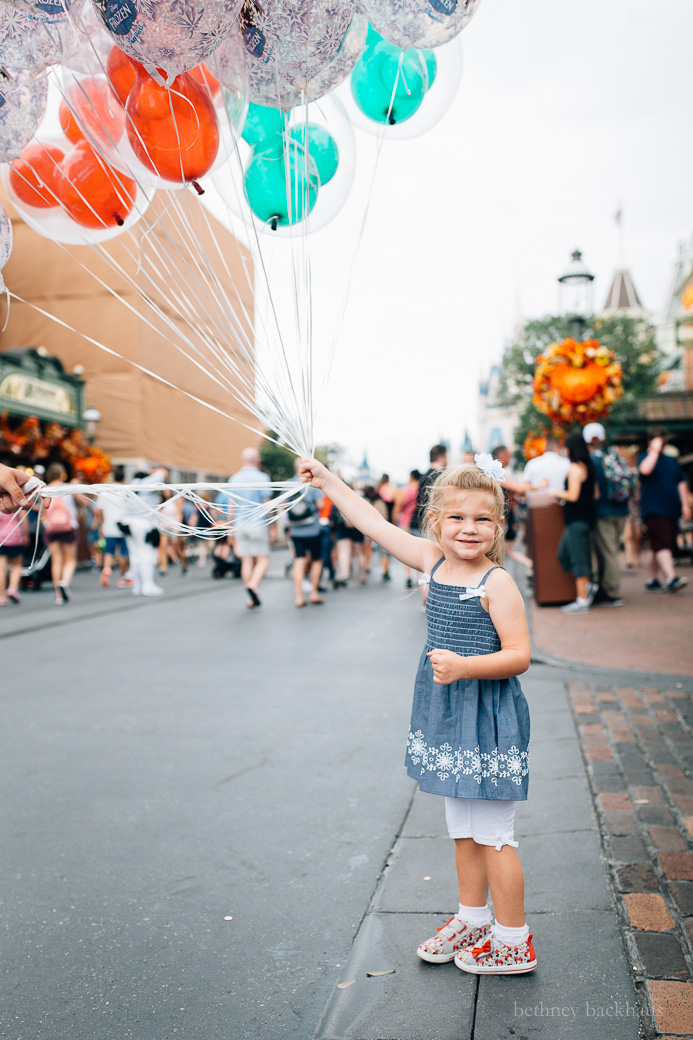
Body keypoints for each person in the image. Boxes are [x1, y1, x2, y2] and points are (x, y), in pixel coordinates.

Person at [298, 454, 536, 975]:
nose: (468, 529)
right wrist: (329, 479)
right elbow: (372, 522)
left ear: (498, 526)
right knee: (462, 828)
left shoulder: (496, 583)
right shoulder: (432, 561)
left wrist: (466, 665)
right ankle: (473, 919)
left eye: (482, 519)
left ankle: (514, 938)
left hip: (488, 718)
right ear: (436, 522)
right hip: (449, 715)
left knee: (495, 833)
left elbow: (520, 654)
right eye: (456, 518)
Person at [546, 433, 597, 614]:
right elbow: (594, 494)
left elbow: (573, 495)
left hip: (577, 520)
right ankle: (588, 587)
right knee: (564, 554)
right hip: (581, 518)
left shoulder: (575, 468)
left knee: (577, 559)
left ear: (570, 448)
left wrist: (556, 492)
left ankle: (582, 600)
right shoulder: (587, 466)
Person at [217, 447, 272, 608]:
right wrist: (271, 526)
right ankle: (253, 585)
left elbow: (231, 507)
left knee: (246, 560)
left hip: (240, 524)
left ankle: (249, 596)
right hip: (258, 524)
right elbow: (267, 505)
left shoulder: (234, 479)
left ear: (242, 461)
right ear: (257, 461)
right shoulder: (263, 478)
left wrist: (230, 529)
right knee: (263, 559)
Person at [583, 422, 631, 607]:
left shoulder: (592, 460)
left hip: (603, 512)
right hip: (621, 510)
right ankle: (605, 589)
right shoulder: (614, 455)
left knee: (608, 552)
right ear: (602, 438)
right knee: (609, 551)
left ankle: (613, 593)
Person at [638, 428, 691, 593]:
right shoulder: (644, 458)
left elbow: (681, 483)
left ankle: (652, 579)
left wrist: (685, 505)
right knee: (663, 544)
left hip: (671, 509)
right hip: (653, 509)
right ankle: (671, 578)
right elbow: (645, 470)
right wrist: (653, 450)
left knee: (658, 545)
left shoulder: (671, 461)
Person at [287, 462, 324, 607]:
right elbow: (320, 505)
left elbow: (284, 506)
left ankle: (299, 596)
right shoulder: (313, 483)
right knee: (316, 560)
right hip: (313, 529)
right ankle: (314, 593)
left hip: (296, 530)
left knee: (299, 560)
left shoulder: (289, 484)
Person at [42, 462, 80, 605]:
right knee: (70, 559)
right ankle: (64, 582)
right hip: (68, 527)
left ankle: (58, 594)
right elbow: (85, 503)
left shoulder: (45, 489)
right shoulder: (68, 489)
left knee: (56, 560)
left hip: (51, 527)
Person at [95, 466, 131, 588]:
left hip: (109, 526)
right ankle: (122, 577)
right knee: (124, 553)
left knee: (109, 551)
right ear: (124, 478)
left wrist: (101, 523)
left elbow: (98, 509)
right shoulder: (126, 491)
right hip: (123, 526)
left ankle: (106, 571)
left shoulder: (105, 491)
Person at [393, 469, 422, 588]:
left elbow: (398, 507)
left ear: (411, 476)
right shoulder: (421, 490)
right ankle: (419, 577)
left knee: (407, 551)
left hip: (405, 522)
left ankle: (408, 576)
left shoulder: (405, 489)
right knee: (419, 552)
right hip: (418, 522)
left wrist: (394, 521)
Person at [0, 507, 28, 606]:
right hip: (15, 537)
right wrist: (26, 535)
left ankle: (2, 596)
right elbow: (23, 519)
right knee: (16, 565)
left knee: (1, 569)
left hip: (1, 538)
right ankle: (12, 589)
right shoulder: (17, 502)